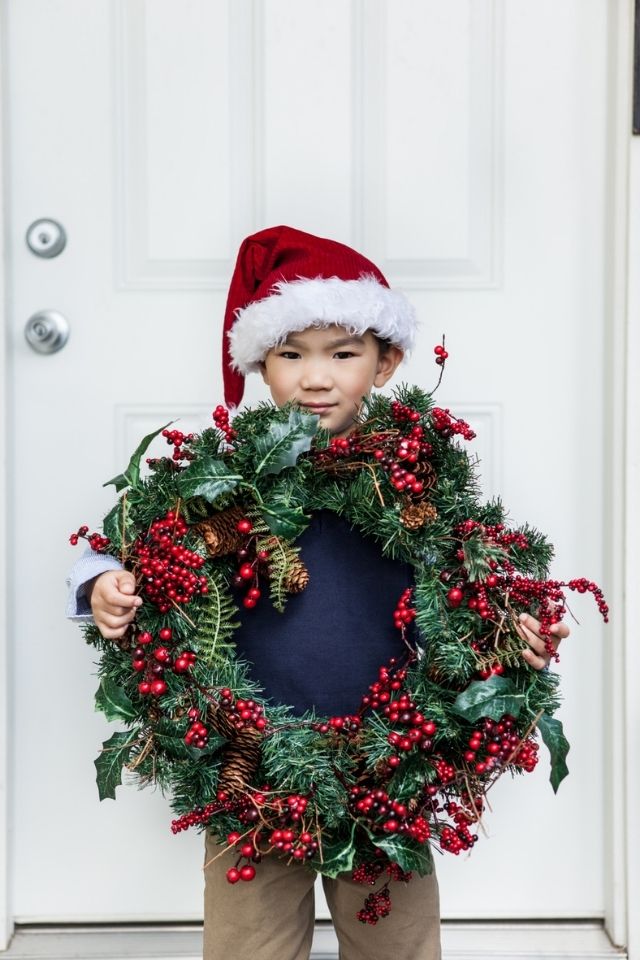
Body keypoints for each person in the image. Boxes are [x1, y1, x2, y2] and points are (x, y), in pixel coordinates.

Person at [67, 225, 568, 960]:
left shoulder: (413, 481)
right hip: (252, 764)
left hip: (389, 761)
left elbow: (479, 583)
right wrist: (103, 585)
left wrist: (514, 630)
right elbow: (125, 544)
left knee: (398, 941)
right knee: (249, 943)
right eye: (290, 354)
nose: (316, 378)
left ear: (386, 360)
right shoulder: (222, 481)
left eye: (343, 354)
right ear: (260, 365)